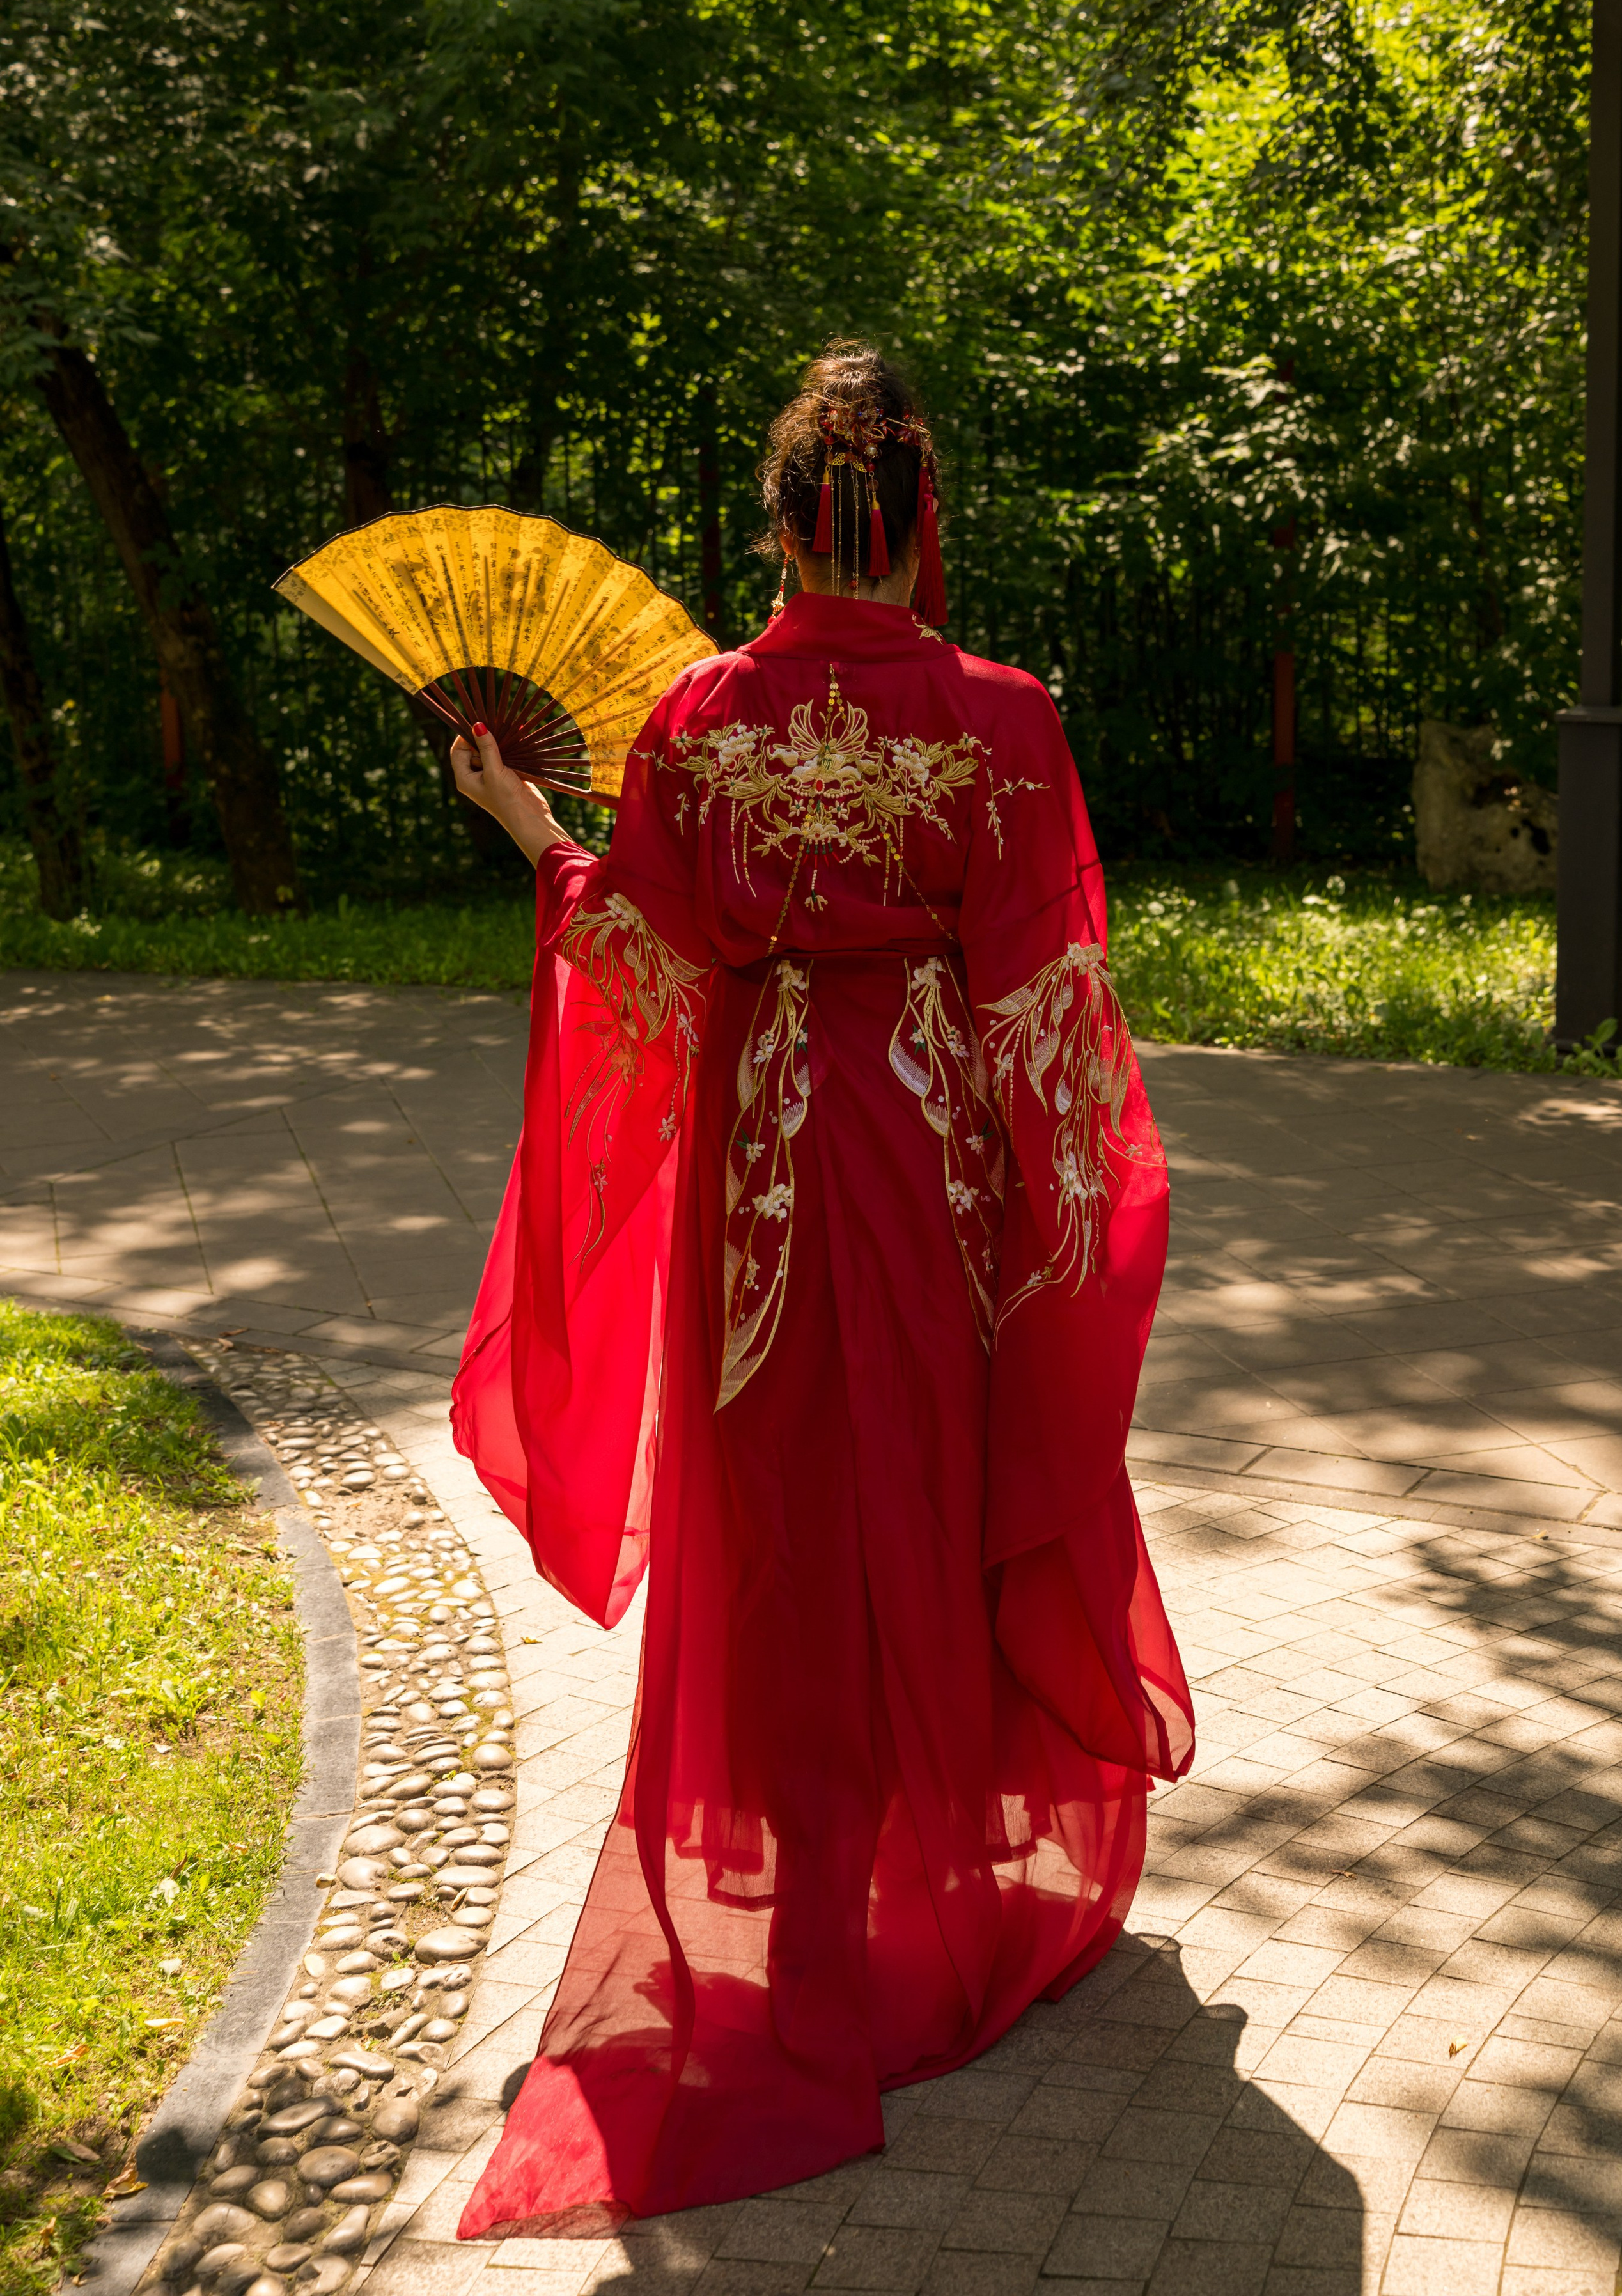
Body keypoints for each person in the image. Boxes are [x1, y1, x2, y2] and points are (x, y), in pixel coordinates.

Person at [445, 342, 1194, 2235]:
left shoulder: (700, 714)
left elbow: (650, 958)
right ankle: (937, 1893)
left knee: (776, 1511)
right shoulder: (1001, 716)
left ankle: (790, 1905)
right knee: (930, 1490)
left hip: (761, 1174)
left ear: (782, 529)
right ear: (920, 525)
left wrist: (537, 835)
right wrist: (1073, 1223)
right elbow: (1048, 999)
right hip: (933, 1160)